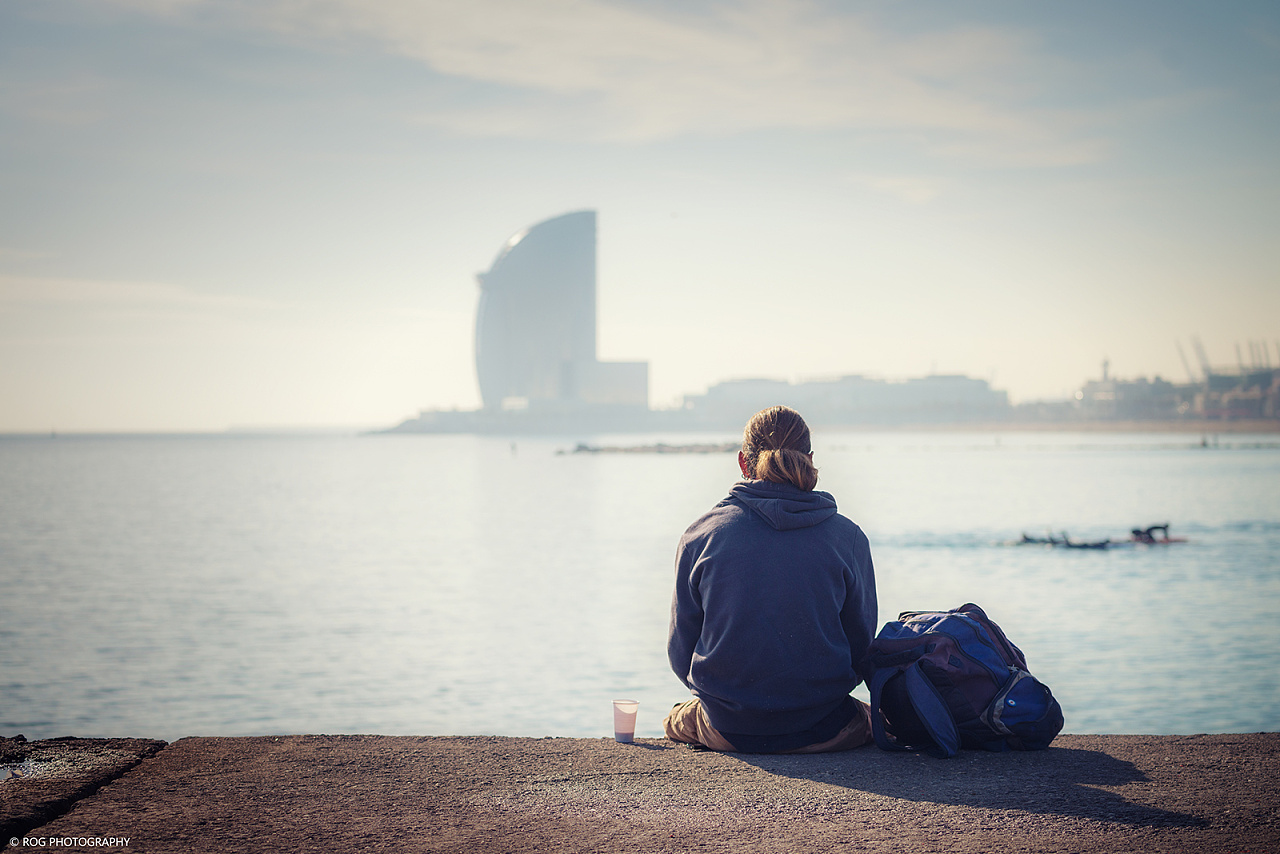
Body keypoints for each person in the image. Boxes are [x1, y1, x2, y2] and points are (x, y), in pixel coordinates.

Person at [664, 405, 878, 753]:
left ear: (742, 463)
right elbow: (861, 649)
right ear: (809, 459)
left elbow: (680, 655)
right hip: (825, 730)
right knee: (878, 719)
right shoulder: (848, 537)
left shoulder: (701, 535)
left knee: (674, 719)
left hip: (728, 730)